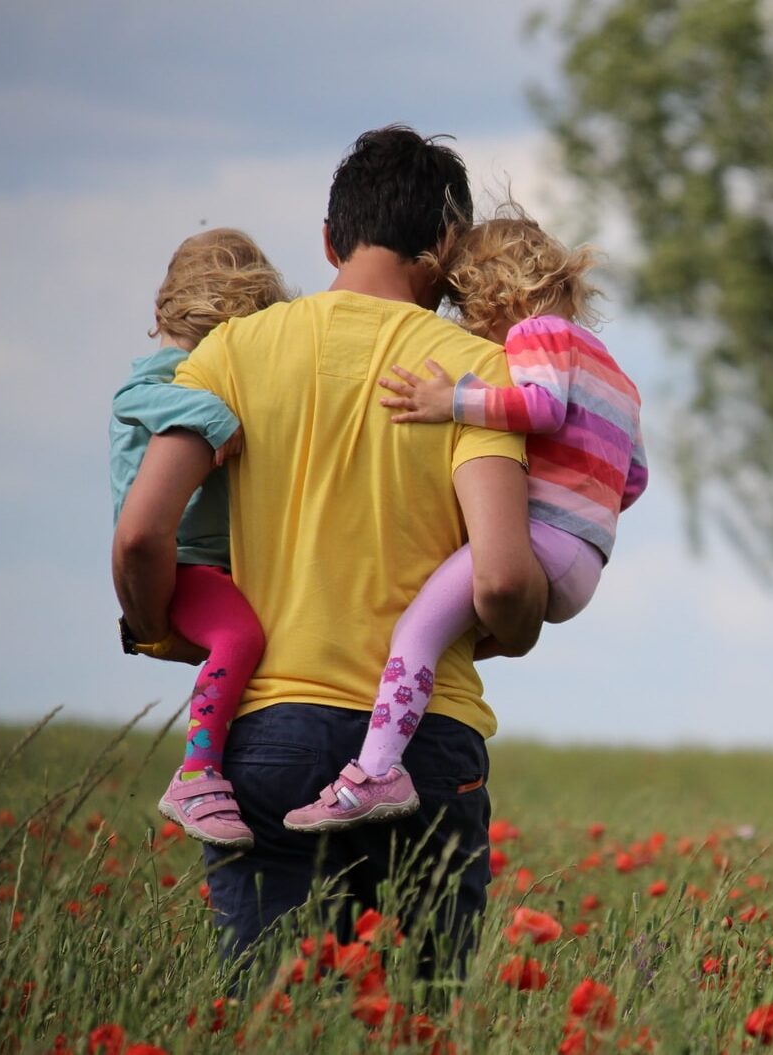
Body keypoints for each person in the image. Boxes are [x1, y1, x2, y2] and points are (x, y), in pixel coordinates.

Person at [112, 126, 548, 978]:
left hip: (268, 736)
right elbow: (499, 577)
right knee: (419, 1020)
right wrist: (518, 624)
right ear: (449, 246)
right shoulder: (476, 374)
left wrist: (157, 623)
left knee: (274, 1015)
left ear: (328, 238)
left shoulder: (232, 352)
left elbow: (139, 533)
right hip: (424, 744)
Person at [284, 209, 647, 832]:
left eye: (467, 307)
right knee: (448, 635)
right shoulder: (616, 373)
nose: (469, 326)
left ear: (496, 293)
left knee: (415, 632)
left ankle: (376, 772)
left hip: (541, 540)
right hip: (586, 558)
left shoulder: (537, 335)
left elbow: (540, 407)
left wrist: (449, 401)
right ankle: (395, 742)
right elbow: (633, 478)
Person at [110, 228, 289, 848]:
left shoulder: (196, 368)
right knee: (240, 636)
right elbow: (134, 397)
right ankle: (197, 773)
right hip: (183, 562)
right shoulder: (168, 375)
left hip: (212, 563)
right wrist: (214, 416)